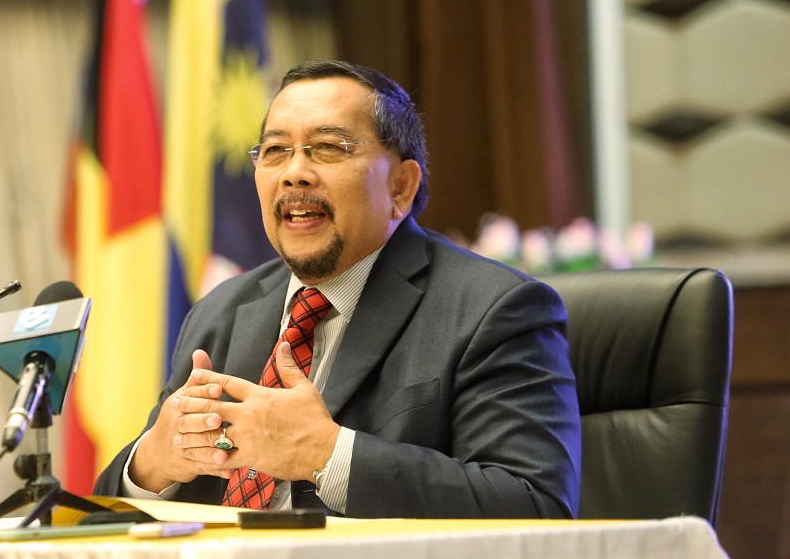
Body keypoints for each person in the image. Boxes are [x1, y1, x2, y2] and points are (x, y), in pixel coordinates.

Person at [94, 59, 581, 518]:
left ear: (400, 187)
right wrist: (154, 462)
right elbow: (105, 514)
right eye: (275, 151)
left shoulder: (494, 309)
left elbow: (536, 505)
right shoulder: (222, 310)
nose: (294, 172)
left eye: (328, 147)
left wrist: (326, 454)